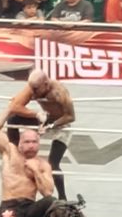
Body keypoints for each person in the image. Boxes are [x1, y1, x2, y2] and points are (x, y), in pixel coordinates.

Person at [6, 70, 75, 199]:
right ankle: (14, 153)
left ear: (46, 84)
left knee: (53, 164)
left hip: (61, 123)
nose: (33, 92)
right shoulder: (34, 86)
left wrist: (52, 125)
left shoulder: (59, 92)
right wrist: (37, 114)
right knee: (12, 120)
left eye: (36, 89)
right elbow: (14, 106)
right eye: (32, 88)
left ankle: (62, 198)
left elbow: (71, 116)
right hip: (45, 118)